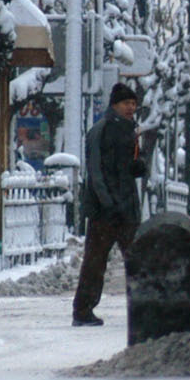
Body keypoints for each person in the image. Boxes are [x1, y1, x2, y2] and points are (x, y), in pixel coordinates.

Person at [72, 82, 149, 326]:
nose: (131, 108)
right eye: (127, 103)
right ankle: (83, 311)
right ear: (114, 104)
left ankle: (144, 310)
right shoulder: (101, 130)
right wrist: (108, 203)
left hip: (127, 209)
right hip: (105, 212)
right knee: (95, 263)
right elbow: (96, 171)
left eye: (134, 104)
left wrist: (139, 164)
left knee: (138, 261)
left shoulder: (130, 131)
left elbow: (129, 168)